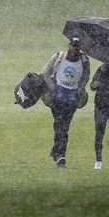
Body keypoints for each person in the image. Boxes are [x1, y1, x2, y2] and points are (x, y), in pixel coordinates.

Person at [41, 37, 90, 168]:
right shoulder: (58, 57)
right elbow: (45, 73)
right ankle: (60, 155)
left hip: (72, 100)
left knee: (64, 127)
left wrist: (79, 90)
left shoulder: (84, 60)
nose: (76, 48)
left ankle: (58, 153)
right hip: (57, 99)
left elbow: (85, 77)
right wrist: (54, 89)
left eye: (78, 45)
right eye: (73, 45)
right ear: (69, 45)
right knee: (60, 125)